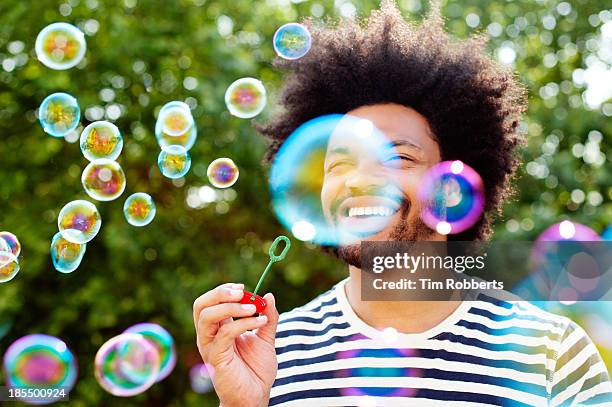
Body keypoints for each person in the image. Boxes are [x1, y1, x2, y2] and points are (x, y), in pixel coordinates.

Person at [193, 2, 612, 406]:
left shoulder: (552, 354)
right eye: (339, 163)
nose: (359, 180)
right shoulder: (272, 354)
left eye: (397, 158)